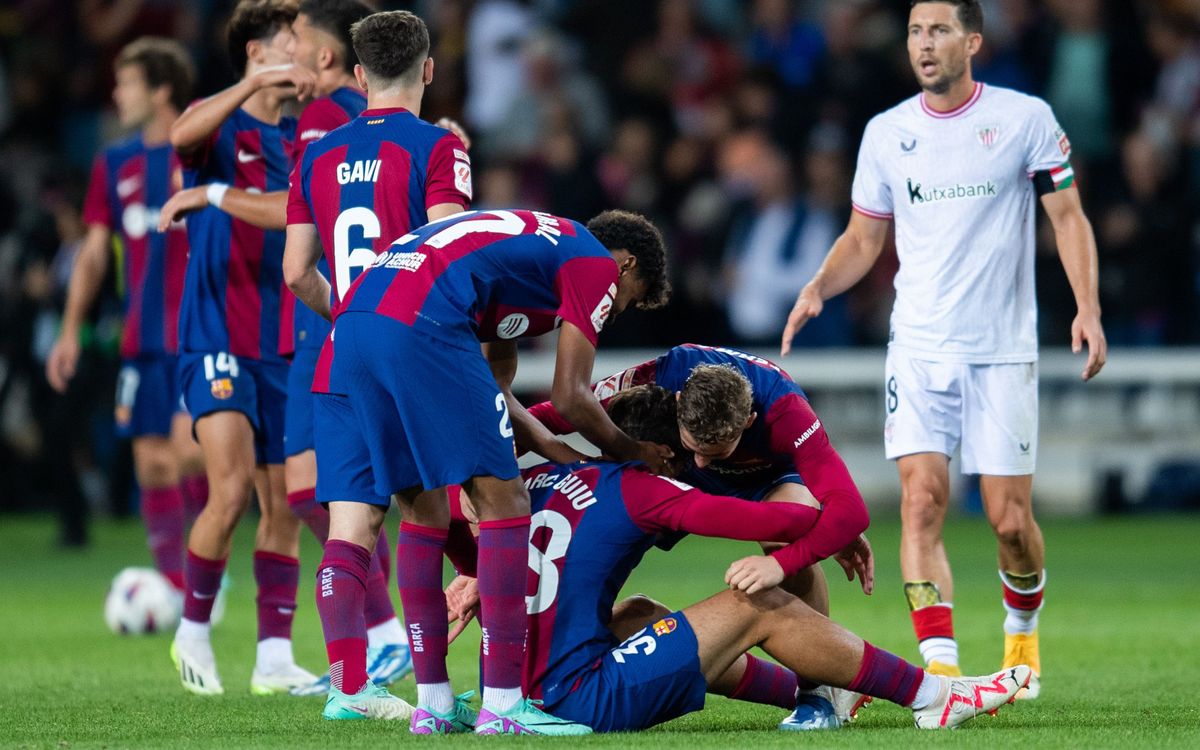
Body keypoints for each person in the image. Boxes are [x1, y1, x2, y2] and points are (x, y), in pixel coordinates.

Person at [780, 0, 1107, 698]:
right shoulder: (886, 133)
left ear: (973, 41)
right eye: (915, 33)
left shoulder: (1025, 120)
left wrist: (1088, 307)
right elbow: (864, 239)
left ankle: (1022, 640)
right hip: (920, 349)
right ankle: (944, 671)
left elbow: (1068, 216)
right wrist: (818, 286)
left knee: (1010, 522)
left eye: (939, 32)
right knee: (921, 501)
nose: (923, 45)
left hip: (1001, 351)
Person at [446, 385, 1031, 733]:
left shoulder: (537, 478)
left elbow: (450, 501)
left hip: (514, 687)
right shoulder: (645, 489)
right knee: (760, 602)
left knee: (641, 615)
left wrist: (471, 568)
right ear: (661, 452)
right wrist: (837, 524)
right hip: (576, 697)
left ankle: (829, 690)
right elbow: (770, 522)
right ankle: (935, 695)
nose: (696, 470)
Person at [314, 208, 671, 732]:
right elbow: (570, 395)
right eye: (631, 297)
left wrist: (551, 445)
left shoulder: (530, 256)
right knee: (506, 502)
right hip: (421, 318)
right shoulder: (595, 264)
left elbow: (494, 382)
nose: (617, 311)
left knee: (423, 507)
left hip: (356, 324)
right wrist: (631, 451)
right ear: (626, 263)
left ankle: (433, 704)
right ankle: (504, 706)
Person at [281, 9, 474, 708]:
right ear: (427, 69)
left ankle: (348, 687)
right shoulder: (437, 148)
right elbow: (451, 254)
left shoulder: (316, 155)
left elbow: (296, 271)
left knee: (349, 526)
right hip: (414, 352)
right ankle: (446, 692)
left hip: (341, 353)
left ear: (359, 76)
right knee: (432, 515)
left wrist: (353, 316)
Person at [168, 0, 320, 696]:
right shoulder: (221, 129)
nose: (306, 52)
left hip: (281, 342)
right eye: (293, 42)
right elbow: (180, 134)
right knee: (228, 492)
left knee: (283, 506)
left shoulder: (300, 142)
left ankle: (272, 659)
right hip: (215, 338)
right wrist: (249, 83)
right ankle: (191, 632)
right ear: (261, 50)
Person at [46, 38, 207, 593]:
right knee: (152, 466)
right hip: (142, 337)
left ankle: (208, 567)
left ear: (161, 90)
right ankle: (174, 589)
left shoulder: (206, 148)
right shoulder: (115, 162)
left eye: (127, 83)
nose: (116, 94)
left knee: (191, 453)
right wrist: (70, 330)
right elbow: (94, 252)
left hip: (201, 333)